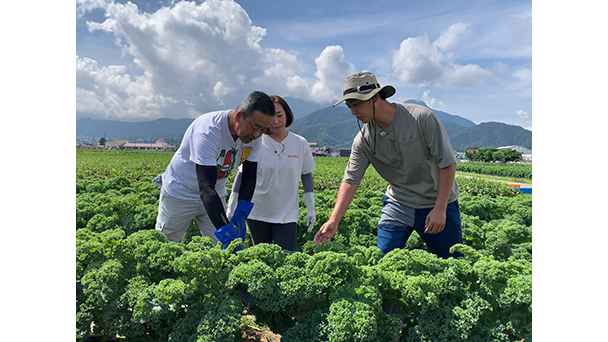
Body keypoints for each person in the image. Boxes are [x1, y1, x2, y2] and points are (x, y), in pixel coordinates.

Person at [313, 72, 463, 259]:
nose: (353, 112)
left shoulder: (421, 118)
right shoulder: (363, 140)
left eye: (357, 104)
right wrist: (334, 220)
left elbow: (447, 164)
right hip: (398, 202)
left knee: (454, 262)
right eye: (350, 106)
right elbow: (350, 181)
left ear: (375, 97)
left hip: (436, 201)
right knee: (381, 261)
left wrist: (440, 209)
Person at [155, 91, 275, 250]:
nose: (257, 134)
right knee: (165, 245)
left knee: (219, 251)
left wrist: (242, 209)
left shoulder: (254, 138)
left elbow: (249, 175)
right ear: (239, 116)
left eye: (263, 130)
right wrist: (226, 230)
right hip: (181, 192)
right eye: (255, 127)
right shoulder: (208, 131)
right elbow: (205, 187)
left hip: (214, 197)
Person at [227, 95, 316, 251]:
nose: (275, 121)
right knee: (261, 256)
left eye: (280, 115)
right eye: (271, 117)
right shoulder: (254, 141)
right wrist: (232, 205)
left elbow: (306, 174)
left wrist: (311, 208)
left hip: (287, 212)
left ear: (287, 115)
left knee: (288, 256)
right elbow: (242, 175)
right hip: (257, 211)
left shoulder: (300, 143)